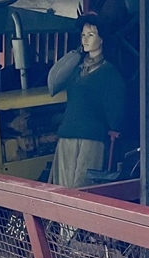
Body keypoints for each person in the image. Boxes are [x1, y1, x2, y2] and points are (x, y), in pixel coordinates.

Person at [47, 12, 126, 189]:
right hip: (67, 135)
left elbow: (116, 113)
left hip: (91, 139)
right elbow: (54, 82)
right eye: (83, 35)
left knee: (82, 189)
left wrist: (114, 129)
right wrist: (74, 55)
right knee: (61, 189)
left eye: (91, 35)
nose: (86, 39)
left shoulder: (110, 74)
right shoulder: (75, 68)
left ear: (102, 39)